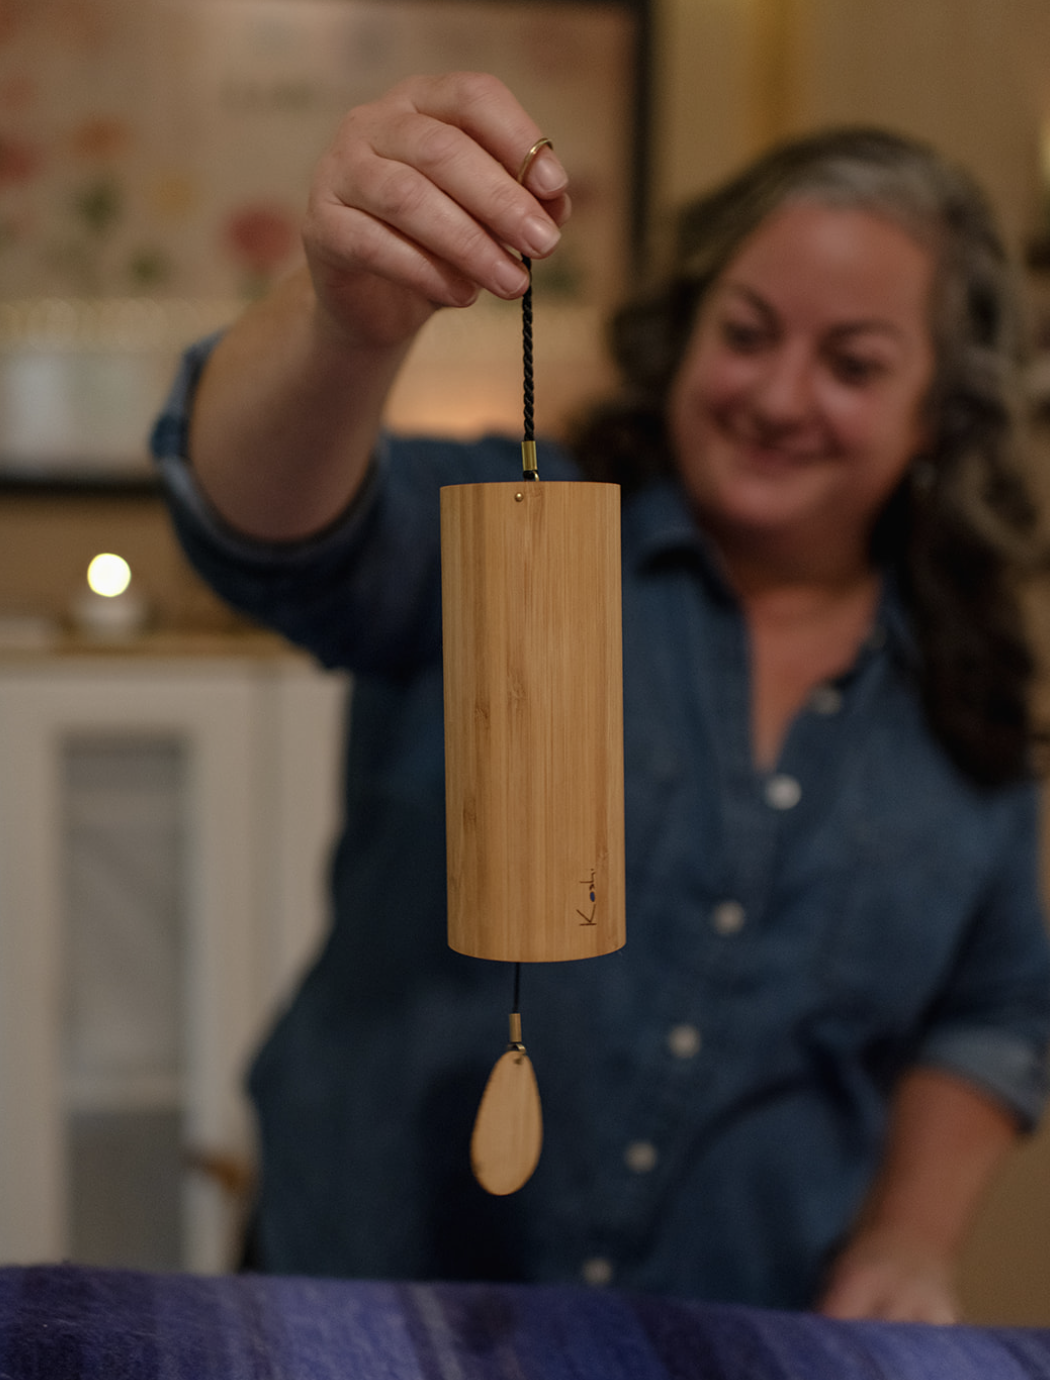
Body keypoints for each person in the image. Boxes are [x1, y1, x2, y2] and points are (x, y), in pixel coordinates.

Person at [151, 72, 1050, 1321]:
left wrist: (908, 1238)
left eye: (852, 362)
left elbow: (996, 1007)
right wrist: (343, 325)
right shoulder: (504, 536)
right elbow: (266, 533)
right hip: (366, 1304)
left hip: (730, 1331)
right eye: (745, 332)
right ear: (683, 332)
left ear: (936, 415)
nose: (781, 396)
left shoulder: (968, 690)